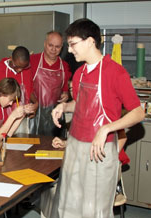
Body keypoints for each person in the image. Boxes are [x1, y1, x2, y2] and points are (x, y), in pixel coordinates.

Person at [51, 18, 145, 218]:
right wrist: (64, 106)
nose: (70, 49)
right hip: (75, 146)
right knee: (69, 203)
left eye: (73, 44)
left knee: (94, 209)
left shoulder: (115, 72)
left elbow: (138, 112)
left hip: (99, 151)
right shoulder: (80, 74)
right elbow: (81, 104)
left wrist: (105, 129)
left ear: (90, 41)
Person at [29, 31, 72, 138]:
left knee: (56, 149)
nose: (53, 49)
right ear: (45, 43)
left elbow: (65, 89)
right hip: (34, 115)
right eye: (50, 45)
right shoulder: (32, 61)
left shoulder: (64, 66)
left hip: (55, 115)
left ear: (62, 47)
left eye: (57, 47)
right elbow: (24, 87)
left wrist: (66, 94)